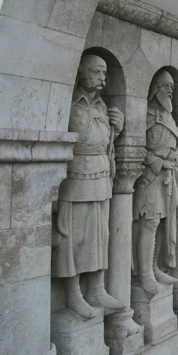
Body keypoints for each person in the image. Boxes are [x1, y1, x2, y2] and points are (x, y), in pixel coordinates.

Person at [52, 55, 126, 319]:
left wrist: (116, 131)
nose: (102, 78)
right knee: (73, 237)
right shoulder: (68, 102)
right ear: (81, 71)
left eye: (104, 73)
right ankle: (73, 293)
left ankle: (96, 288)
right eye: (97, 72)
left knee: (100, 234)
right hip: (75, 177)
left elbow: (104, 145)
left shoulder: (103, 107)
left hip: (101, 176)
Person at [133, 70, 178, 295]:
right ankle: (144, 273)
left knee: (163, 223)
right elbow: (133, 149)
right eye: (166, 86)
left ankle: (154, 267)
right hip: (150, 179)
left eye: (172, 87)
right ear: (156, 88)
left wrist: (175, 156)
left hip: (168, 179)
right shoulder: (146, 114)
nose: (170, 91)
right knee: (149, 223)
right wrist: (157, 161)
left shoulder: (169, 116)